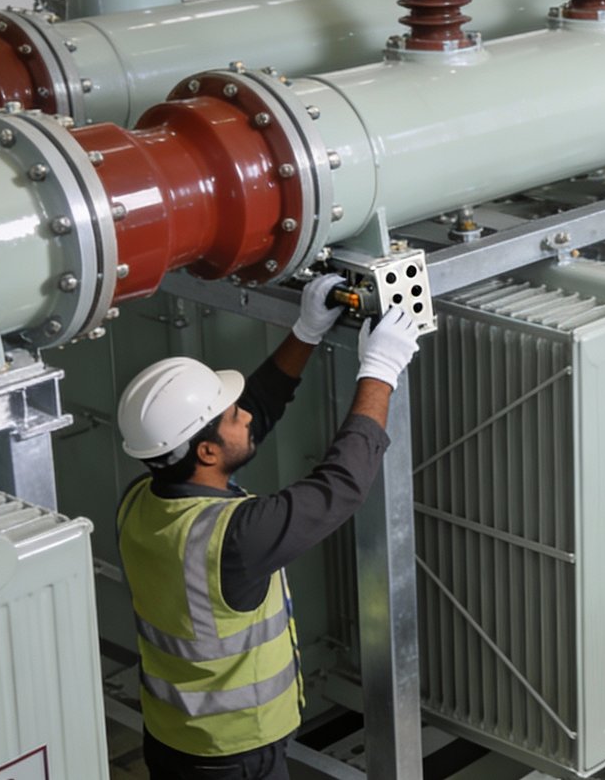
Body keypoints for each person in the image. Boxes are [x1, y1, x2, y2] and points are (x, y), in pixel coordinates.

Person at [115, 273, 423, 780]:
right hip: (233, 754)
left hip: (175, 739)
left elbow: (247, 418)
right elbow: (341, 485)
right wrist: (381, 369)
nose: (245, 416)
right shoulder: (233, 539)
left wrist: (306, 331)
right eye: (233, 414)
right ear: (207, 452)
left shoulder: (141, 500)